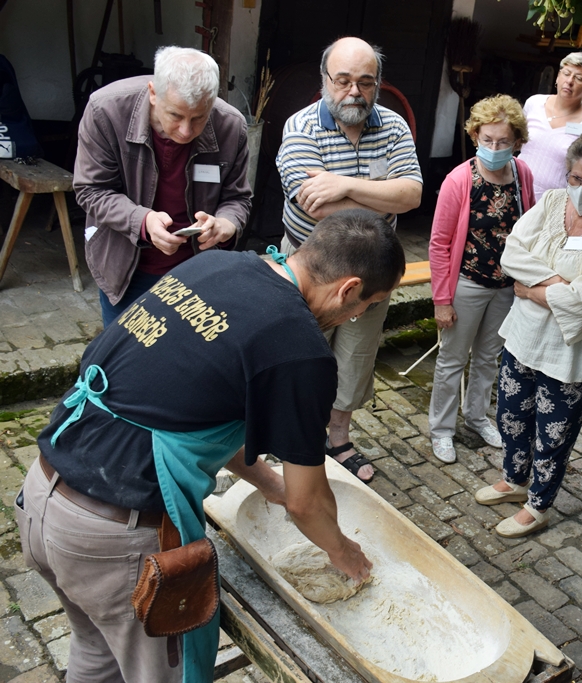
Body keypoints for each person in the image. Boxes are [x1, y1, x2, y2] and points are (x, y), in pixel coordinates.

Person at [14, 209, 402, 683]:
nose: (358, 316)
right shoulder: (300, 348)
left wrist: (269, 483)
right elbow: (308, 502)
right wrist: (344, 552)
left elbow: (189, 407)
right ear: (347, 288)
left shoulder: (216, 266)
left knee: (97, 654)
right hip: (114, 542)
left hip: (41, 495)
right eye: (367, 304)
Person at [474, 131, 582, 537]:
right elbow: (512, 253)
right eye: (575, 178)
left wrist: (530, 289)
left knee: (553, 434)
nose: (581, 189)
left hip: (570, 352)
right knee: (511, 416)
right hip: (524, 336)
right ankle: (515, 480)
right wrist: (557, 285)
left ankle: (539, 504)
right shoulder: (550, 203)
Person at [276, 37, 422, 482]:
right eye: (342, 81)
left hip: (374, 272)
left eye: (365, 82)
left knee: (356, 357)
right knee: (301, 357)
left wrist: (339, 183)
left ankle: (338, 438)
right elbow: (313, 207)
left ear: (378, 84)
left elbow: (412, 194)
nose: (353, 92)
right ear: (325, 81)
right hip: (312, 271)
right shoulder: (300, 127)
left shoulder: (394, 127)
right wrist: (380, 198)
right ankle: (294, 440)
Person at [74, 46, 251, 327]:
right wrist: (142, 221)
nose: (185, 130)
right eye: (175, 115)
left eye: (199, 118)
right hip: (127, 271)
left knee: (190, 364)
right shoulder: (105, 110)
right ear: (153, 93)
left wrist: (227, 224)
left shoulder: (231, 125)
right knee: (128, 364)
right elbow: (91, 190)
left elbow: (238, 198)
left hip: (199, 274)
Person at [428, 96, 536, 463]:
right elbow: (439, 243)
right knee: (452, 359)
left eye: (503, 141)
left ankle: (476, 417)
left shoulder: (522, 175)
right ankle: (441, 429)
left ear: (516, 141)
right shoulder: (459, 180)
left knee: (490, 357)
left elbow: (529, 227)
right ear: (475, 135)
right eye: (487, 139)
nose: (494, 148)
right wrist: (442, 300)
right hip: (468, 283)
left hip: (506, 286)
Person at [517, 52, 582, 198]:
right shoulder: (534, 103)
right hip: (517, 194)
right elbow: (516, 142)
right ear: (557, 77)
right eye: (566, 73)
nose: (569, 81)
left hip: (554, 204)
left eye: (579, 78)